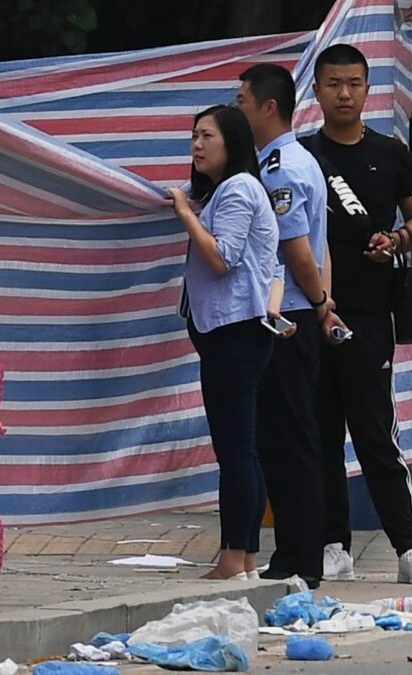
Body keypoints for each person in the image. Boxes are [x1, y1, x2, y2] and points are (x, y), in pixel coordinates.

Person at [303, 44, 412, 585]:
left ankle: (410, 549)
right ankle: (332, 545)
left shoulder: (391, 152)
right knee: (319, 433)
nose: (344, 93)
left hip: (370, 312)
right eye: (333, 83)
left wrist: (400, 238)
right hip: (313, 313)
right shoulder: (301, 157)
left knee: (375, 432)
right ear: (316, 91)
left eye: (354, 83)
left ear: (367, 89)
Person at [236, 63, 346, 589]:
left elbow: (297, 249)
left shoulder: (279, 166)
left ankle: (302, 558)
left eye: (241, 103)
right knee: (284, 437)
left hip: (290, 315)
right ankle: (295, 553)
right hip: (294, 310)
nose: (238, 111)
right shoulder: (289, 160)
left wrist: (322, 303)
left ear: (268, 107)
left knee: (290, 438)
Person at [169, 105, 279, 581]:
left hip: (234, 334)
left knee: (234, 450)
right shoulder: (226, 192)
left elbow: (222, 258)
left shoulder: (238, 189)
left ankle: (233, 557)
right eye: (193, 135)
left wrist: (183, 214)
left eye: (206, 136)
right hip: (234, 334)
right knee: (242, 448)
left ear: (231, 142)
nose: (196, 145)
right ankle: (246, 554)